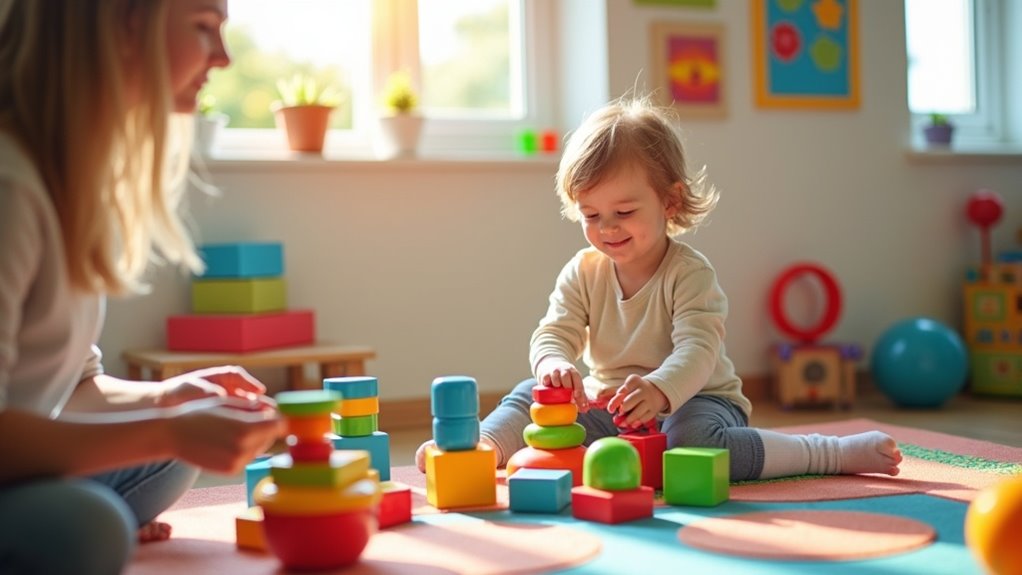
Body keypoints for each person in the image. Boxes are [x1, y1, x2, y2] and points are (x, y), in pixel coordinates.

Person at [417, 96, 902, 483]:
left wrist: (661, 391)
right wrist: (556, 365)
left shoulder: (689, 273)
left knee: (691, 445)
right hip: (613, 403)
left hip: (699, 400)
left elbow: (699, 351)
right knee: (531, 394)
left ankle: (825, 454)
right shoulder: (583, 271)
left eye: (623, 213)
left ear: (669, 202)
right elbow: (554, 332)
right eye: (591, 215)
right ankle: (479, 449)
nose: (606, 228)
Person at [0, 1, 285, 573]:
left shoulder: (68, 177)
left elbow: (72, 387)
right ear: (119, 29)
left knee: (173, 455)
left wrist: (166, 399)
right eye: (204, 29)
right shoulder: (11, 187)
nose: (224, 58)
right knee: (92, 526)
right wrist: (165, 428)